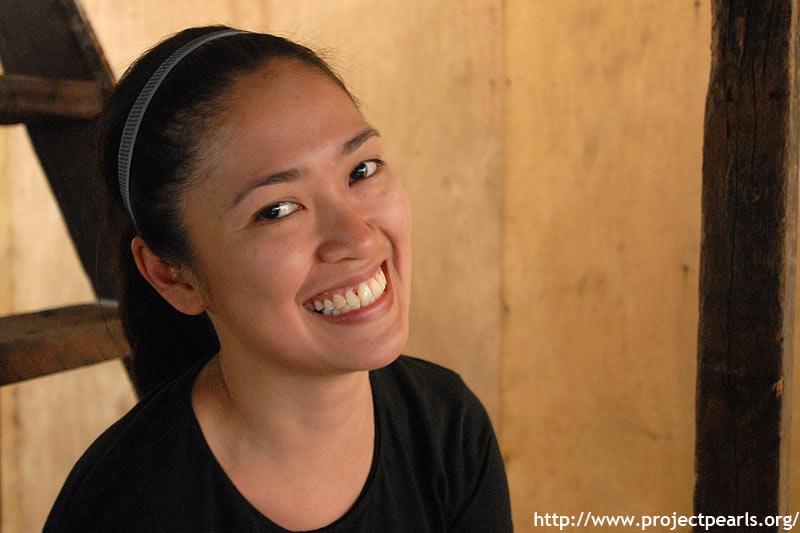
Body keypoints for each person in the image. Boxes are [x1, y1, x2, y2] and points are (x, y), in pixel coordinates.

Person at [45, 25, 512, 532]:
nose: (358, 238)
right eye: (278, 210)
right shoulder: (123, 510)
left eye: (361, 170)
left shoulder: (448, 430)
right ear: (174, 277)